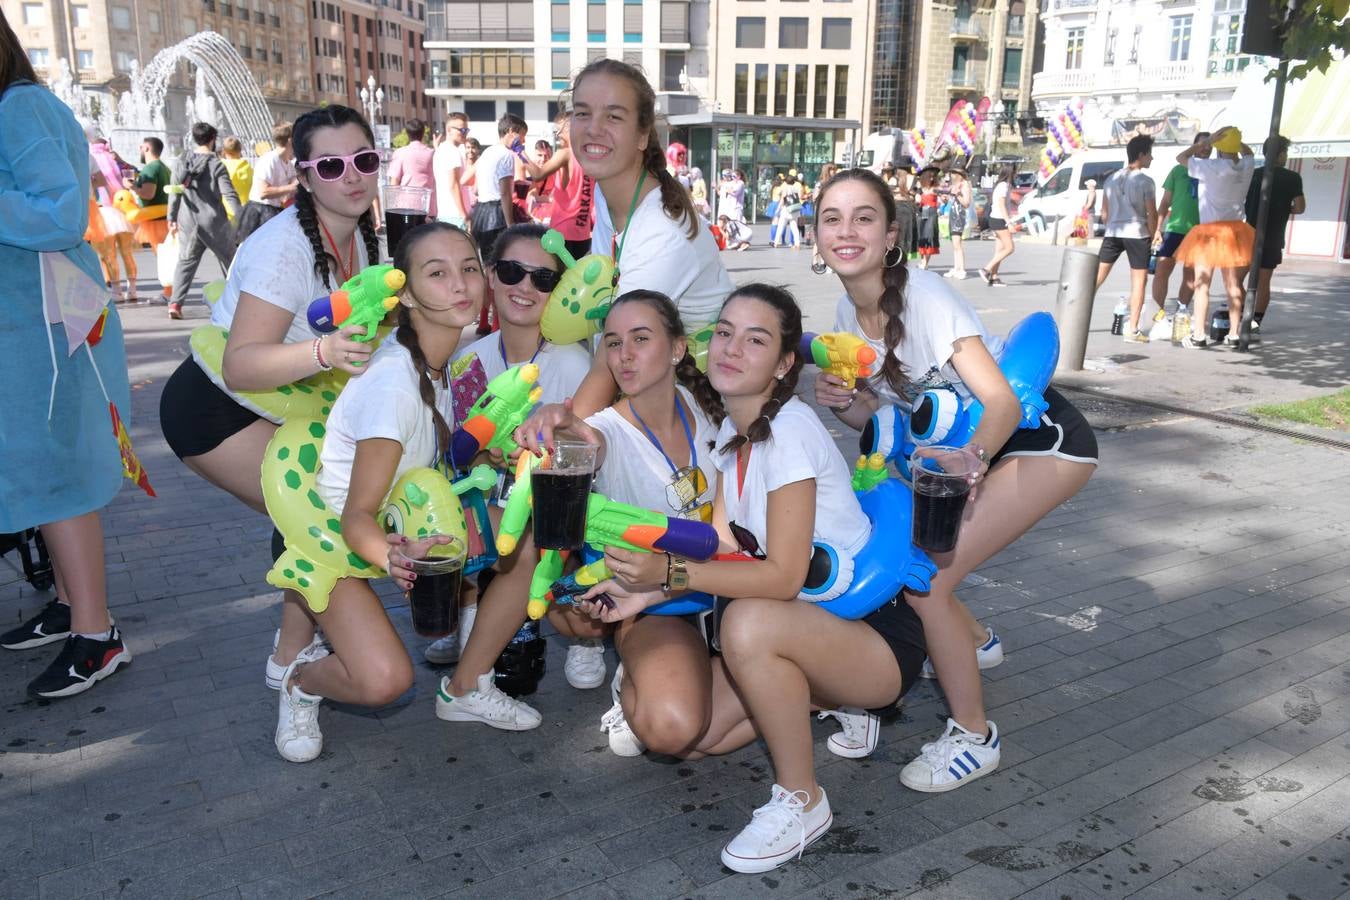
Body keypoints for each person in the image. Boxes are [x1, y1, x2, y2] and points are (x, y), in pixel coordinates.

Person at [559, 284, 932, 873]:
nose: (732, 348)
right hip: (813, 628)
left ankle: (802, 799)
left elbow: (781, 578)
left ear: (783, 364)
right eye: (726, 333)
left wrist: (669, 571)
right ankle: (820, 699)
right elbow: (726, 548)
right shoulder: (730, 441)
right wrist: (644, 594)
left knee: (749, 622)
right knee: (695, 736)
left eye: (756, 340)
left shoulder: (789, 430)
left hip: (872, 637)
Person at [813, 169, 1097, 795]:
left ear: (891, 235)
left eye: (864, 217)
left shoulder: (923, 296)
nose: (846, 231)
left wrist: (970, 459)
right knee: (919, 558)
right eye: (832, 218)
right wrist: (845, 404)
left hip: (1038, 441)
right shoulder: (845, 313)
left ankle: (974, 735)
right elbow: (888, 422)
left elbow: (1001, 402)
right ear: (816, 235)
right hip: (966, 455)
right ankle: (976, 642)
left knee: (928, 582)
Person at [157, 105, 383, 703]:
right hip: (213, 409)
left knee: (312, 509)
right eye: (331, 166)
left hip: (276, 407)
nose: (352, 176)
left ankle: (291, 653)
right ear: (303, 176)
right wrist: (325, 351)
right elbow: (241, 364)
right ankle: (293, 659)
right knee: (324, 513)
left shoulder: (356, 233)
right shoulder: (285, 248)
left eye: (364, 160)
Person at [274, 221, 485, 762]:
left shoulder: (439, 363)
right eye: (437, 273)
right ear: (406, 293)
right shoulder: (396, 384)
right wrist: (393, 560)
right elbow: (356, 515)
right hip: (329, 537)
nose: (460, 284)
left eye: (469, 268)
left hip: (384, 529)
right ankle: (301, 680)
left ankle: (311, 629)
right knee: (385, 680)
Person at [517, 290, 721, 758]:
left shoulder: (705, 403)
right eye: (613, 342)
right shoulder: (606, 431)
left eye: (640, 338)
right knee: (672, 729)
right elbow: (581, 440)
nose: (624, 354)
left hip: (727, 582)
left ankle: (716, 671)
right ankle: (635, 680)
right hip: (657, 601)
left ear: (677, 348)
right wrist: (557, 422)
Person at [0, 23, 134, 698]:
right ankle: (69, 605)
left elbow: (59, 213)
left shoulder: (18, 104)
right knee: (39, 472)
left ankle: (96, 633)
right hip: (31, 324)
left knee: (56, 478)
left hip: (40, 327)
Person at [424, 224, 592, 675]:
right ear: (491, 276)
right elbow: (457, 455)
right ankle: (469, 610)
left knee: (573, 608)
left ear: (559, 292)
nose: (525, 287)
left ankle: (586, 637)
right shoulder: (468, 360)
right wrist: (486, 455)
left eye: (543, 279)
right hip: (491, 510)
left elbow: (590, 460)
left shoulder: (574, 363)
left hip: (558, 517)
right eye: (513, 271)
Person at [566, 58, 734, 416]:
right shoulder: (608, 194)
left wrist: (560, 436)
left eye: (613, 116)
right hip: (649, 381)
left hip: (704, 403)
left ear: (643, 135)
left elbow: (611, 358)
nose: (593, 128)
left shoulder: (663, 230)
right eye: (582, 113)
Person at [1173, 126, 1255, 349]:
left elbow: (1181, 157)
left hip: (1209, 233)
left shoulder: (1210, 166)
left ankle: (1199, 335)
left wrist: (1206, 142)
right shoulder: (1246, 166)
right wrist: (1235, 142)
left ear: (1218, 147)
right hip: (1235, 232)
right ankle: (1234, 334)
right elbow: (1248, 153)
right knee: (1233, 285)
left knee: (1202, 284)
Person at [167, 122, 241, 319]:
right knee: (231, 260)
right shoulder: (216, 164)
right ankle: (238, 302)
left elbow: (174, 191)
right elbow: (229, 194)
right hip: (214, 222)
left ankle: (175, 304)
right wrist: (242, 218)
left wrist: (171, 217)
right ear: (212, 139)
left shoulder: (182, 161)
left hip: (188, 220)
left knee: (186, 261)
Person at [1095, 134, 1158, 342]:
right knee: (1139, 282)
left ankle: (1075, 314)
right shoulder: (1146, 181)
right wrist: (1154, 234)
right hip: (1137, 233)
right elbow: (1151, 213)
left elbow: (1104, 213)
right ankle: (1132, 330)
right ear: (1141, 155)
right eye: (1149, 154)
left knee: (1095, 279)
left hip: (1113, 232)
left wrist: (1112, 225)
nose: (1151, 158)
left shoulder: (1111, 179)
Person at [1245, 134, 1305, 335]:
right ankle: (1255, 321)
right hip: (1273, 236)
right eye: (1285, 152)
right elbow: (1300, 207)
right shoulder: (1292, 178)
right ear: (1278, 154)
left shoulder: (1253, 175)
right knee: (1263, 282)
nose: (1286, 156)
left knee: (1236, 278)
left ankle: (1238, 312)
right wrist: (1283, 209)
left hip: (1248, 234)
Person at [1152, 132, 1208, 323]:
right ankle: (1158, 313)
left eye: (1210, 146)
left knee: (1191, 275)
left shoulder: (1213, 170)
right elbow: (1165, 202)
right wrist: (1158, 228)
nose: (1206, 149)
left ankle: (1181, 312)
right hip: (1175, 228)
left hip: (1199, 231)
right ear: (1194, 146)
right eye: (1202, 144)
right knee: (1162, 270)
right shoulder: (1177, 170)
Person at [84, 122, 138, 301]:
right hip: (121, 211)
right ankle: (132, 290)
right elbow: (133, 174)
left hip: (103, 212)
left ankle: (117, 291)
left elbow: (98, 183)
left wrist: (89, 184)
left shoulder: (88, 158)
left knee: (108, 254)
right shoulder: (116, 160)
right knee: (126, 252)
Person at [469, 112, 528, 265]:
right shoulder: (507, 155)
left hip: (480, 213)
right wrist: (510, 225)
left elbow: (476, 189)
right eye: (522, 135)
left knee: (485, 262)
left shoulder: (487, 152)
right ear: (511, 131)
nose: (523, 141)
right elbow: (505, 193)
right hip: (497, 215)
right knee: (498, 263)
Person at [539, 109, 595, 262]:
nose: (557, 135)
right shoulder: (591, 155)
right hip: (582, 233)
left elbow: (537, 174)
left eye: (558, 130)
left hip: (561, 232)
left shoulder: (565, 153)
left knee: (559, 276)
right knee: (577, 276)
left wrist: (519, 152)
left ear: (570, 128)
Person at [235, 121, 296, 245]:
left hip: (273, 210)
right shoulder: (269, 160)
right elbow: (263, 192)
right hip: (259, 212)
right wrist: (292, 187)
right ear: (290, 140)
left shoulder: (288, 163)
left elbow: (287, 195)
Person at [123, 135, 172, 251]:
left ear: (146, 148)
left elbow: (149, 194)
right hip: (165, 217)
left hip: (155, 221)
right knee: (167, 254)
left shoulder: (150, 168)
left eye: (141, 147)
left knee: (162, 255)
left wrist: (131, 186)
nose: (139, 150)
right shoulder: (164, 167)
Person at [387, 118, 437, 218]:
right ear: (423, 133)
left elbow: (394, 182)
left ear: (407, 133)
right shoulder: (432, 153)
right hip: (427, 206)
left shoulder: (400, 153)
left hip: (405, 206)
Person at [980, 164, 1016, 286]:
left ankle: (994, 277)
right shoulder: (1003, 186)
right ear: (1010, 172)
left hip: (996, 219)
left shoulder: (1002, 185)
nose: (1016, 174)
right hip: (1000, 220)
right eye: (1015, 172)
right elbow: (1001, 205)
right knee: (1010, 248)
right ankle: (986, 269)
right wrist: (1008, 222)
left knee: (1000, 250)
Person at [432, 111, 470, 228]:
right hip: (456, 216)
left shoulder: (441, 149)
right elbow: (453, 185)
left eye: (466, 130)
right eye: (461, 130)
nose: (464, 133)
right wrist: (463, 214)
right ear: (449, 130)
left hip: (445, 214)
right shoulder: (452, 152)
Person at [944, 165, 973, 279]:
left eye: (954, 173)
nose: (952, 176)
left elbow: (966, 203)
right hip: (953, 213)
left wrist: (958, 194)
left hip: (959, 214)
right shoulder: (955, 185)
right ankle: (956, 267)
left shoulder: (965, 185)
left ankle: (961, 269)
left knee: (957, 243)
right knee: (954, 243)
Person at [219, 136, 254, 222]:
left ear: (224, 151)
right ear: (240, 149)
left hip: (228, 212)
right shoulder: (247, 167)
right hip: (248, 211)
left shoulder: (220, 167)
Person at [915, 166, 942, 270]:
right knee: (921, 236)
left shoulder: (935, 188)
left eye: (933, 176)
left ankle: (925, 262)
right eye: (929, 176)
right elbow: (917, 201)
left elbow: (942, 195)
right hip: (922, 213)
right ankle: (922, 260)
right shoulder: (920, 189)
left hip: (931, 214)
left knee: (930, 236)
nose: (931, 179)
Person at [772, 173, 804, 250]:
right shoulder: (796, 188)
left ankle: (775, 242)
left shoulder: (785, 188)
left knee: (781, 226)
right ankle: (797, 244)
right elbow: (800, 197)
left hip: (786, 210)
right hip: (795, 210)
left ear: (786, 181)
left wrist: (778, 209)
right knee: (794, 227)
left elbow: (782, 200)